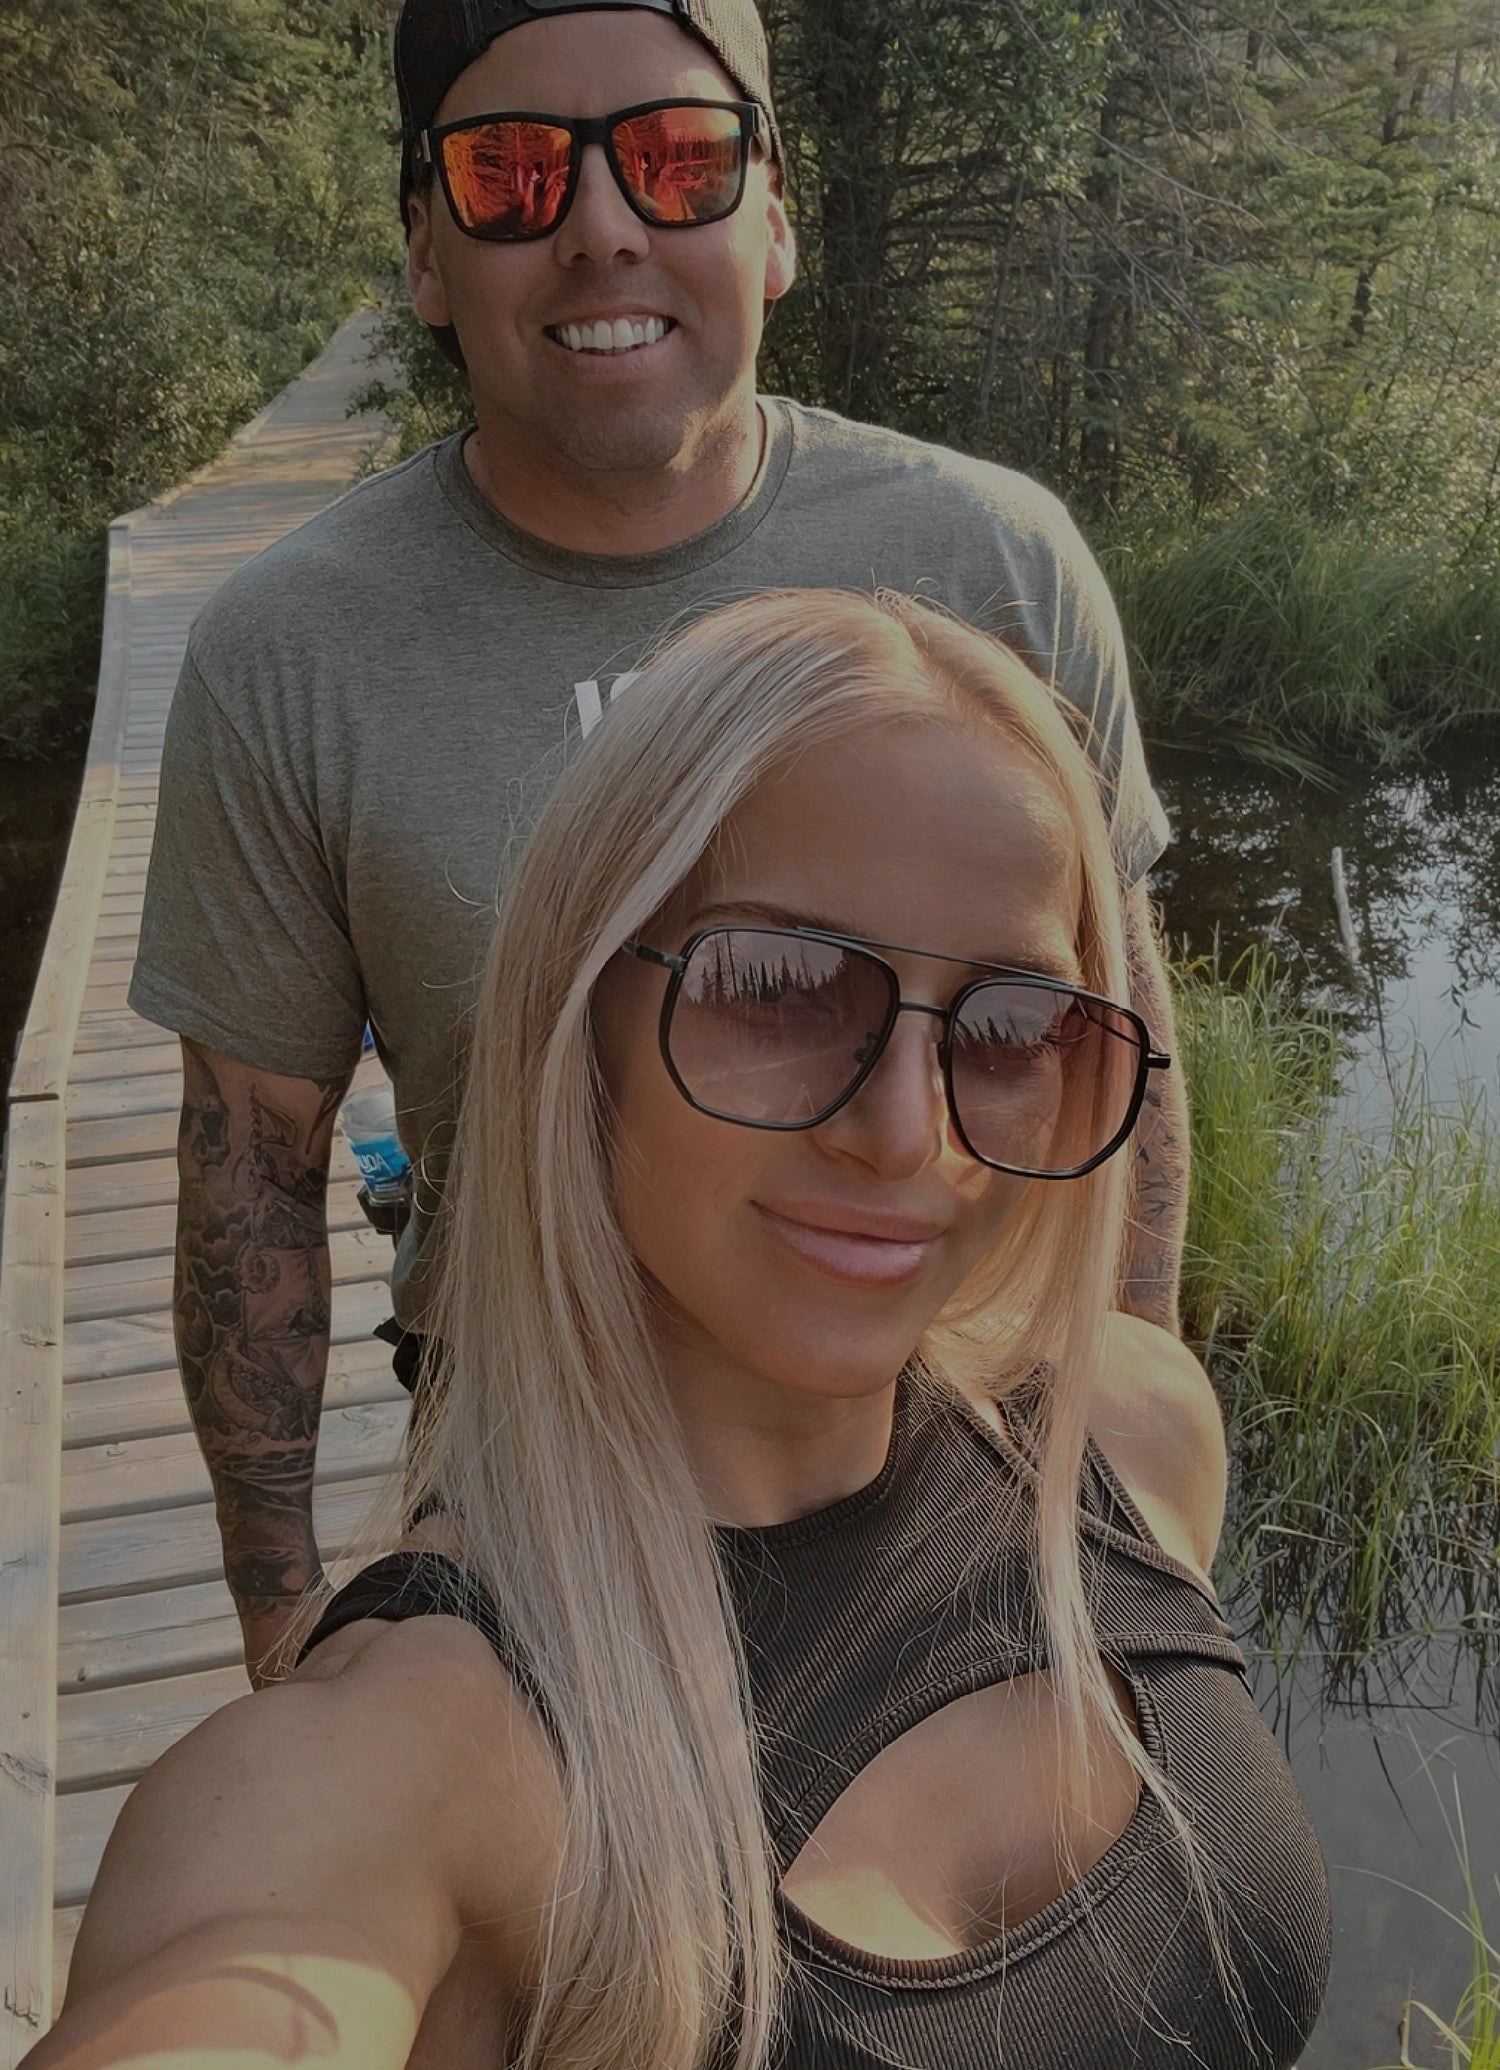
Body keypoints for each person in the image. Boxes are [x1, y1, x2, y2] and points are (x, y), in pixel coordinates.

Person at [34, 593, 1327, 2070]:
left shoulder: (1136, 1439)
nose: (907, 1135)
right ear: (573, 1019)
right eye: (775, 989)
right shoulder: (409, 1760)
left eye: (1016, 1023)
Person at [128, 0, 1191, 1686]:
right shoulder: (293, 651)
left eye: (681, 158)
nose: (604, 224)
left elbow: (1115, 1037)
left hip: (963, 1478)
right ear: (425, 249)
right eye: (514, 171)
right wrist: (283, 1617)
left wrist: (1118, 1463)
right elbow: (251, 1161)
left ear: (774, 217)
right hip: (540, 1519)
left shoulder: (994, 560)